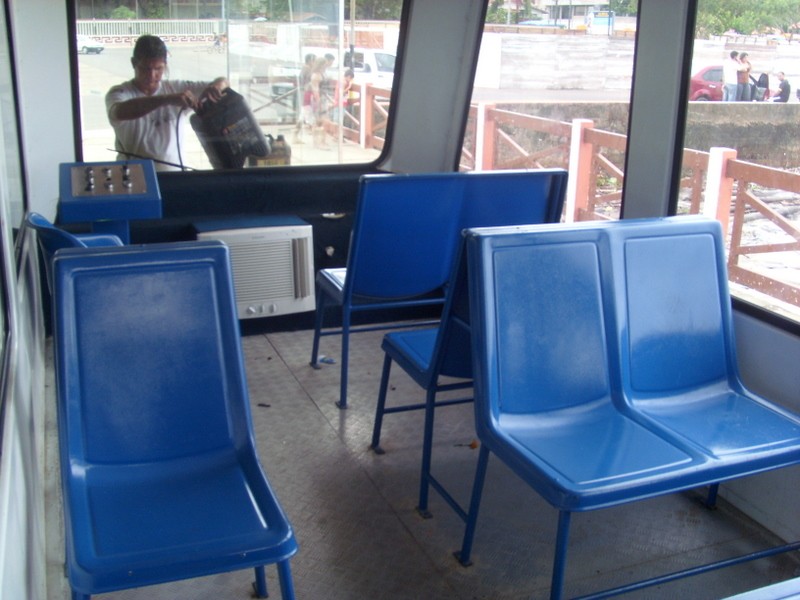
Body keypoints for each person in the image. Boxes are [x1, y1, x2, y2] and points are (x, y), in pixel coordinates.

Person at [106, 34, 228, 171]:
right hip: (135, 178)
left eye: (158, 69)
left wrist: (216, 88)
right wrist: (167, 99)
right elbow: (120, 111)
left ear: (165, 65)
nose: (152, 75)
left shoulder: (177, 87)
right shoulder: (119, 93)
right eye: (145, 68)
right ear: (134, 63)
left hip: (176, 178)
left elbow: (224, 82)